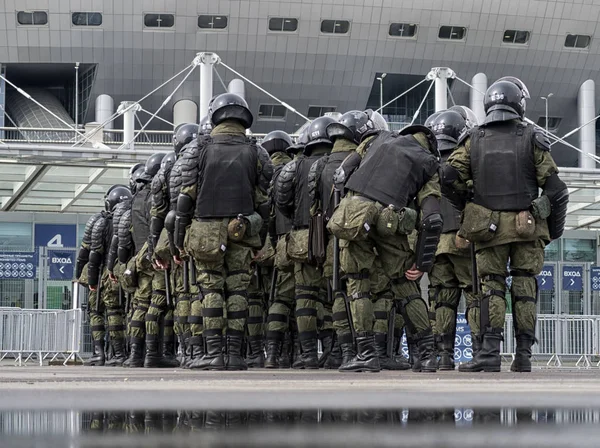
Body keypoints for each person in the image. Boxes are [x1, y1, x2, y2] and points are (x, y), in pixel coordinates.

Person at [443, 78, 569, 372]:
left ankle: (488, 354)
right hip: (527, 226)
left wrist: (467, 207)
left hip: (488, 228)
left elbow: (448, 176)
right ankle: (523, 356)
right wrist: (550, 227)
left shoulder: (474, 138)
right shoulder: (531, 137)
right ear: (518, 104)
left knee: (491, 288)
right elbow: (556, 189)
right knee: (525, 287)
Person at [332, 117, 442, 373]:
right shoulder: (429, 163)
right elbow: (433, 217)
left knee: (358, 286)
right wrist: (422, 262)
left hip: (355, 213)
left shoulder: (375, 139)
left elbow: (341, 175)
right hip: (390, 218)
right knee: (406, 286)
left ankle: (367, 354)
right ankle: (428, 355)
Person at [175, 93, 273, 371]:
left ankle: (214, 353)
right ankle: (234, 355)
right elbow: (265, 200)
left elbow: (185, 198)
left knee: (210, 289)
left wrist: (179, 239)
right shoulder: (258, 151)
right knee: (239, 291)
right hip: (243, 229)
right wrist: (259, 239)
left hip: (205, 230)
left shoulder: (198, 148)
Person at [275, 116, 337, 369]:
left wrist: (301, 222)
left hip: (303, 238)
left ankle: (308, 354)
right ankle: (335, 352)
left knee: (305, 298)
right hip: (332, 237)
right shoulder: (338, 163)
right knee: (334, 296)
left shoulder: (293, 166)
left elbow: (281, 201)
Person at [424, 108, 478, 370]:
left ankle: (443, 355)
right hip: (463, 237)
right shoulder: (466, 159)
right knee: (475, 294)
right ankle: (480, 353)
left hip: (435, 241)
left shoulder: (427, 162)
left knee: (442, 300)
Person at [119, 153, 165, 368]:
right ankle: (152, 354)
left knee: (140, 306)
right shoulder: (154, 196)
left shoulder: (136, 199)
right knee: (156, 304)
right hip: (155, 257)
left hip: (140, 258)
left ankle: (136, 354)